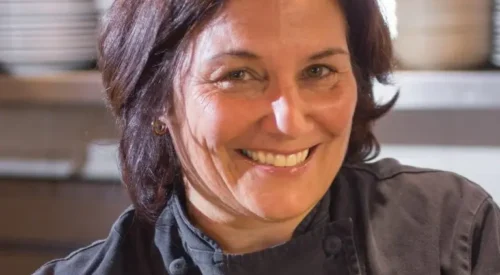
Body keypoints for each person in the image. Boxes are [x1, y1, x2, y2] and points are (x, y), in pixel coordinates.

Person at [35, 0, 500, 274]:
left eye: (319, 70)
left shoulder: (451, 232)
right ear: (157, 100)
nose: (289, 121)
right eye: (237, 75)